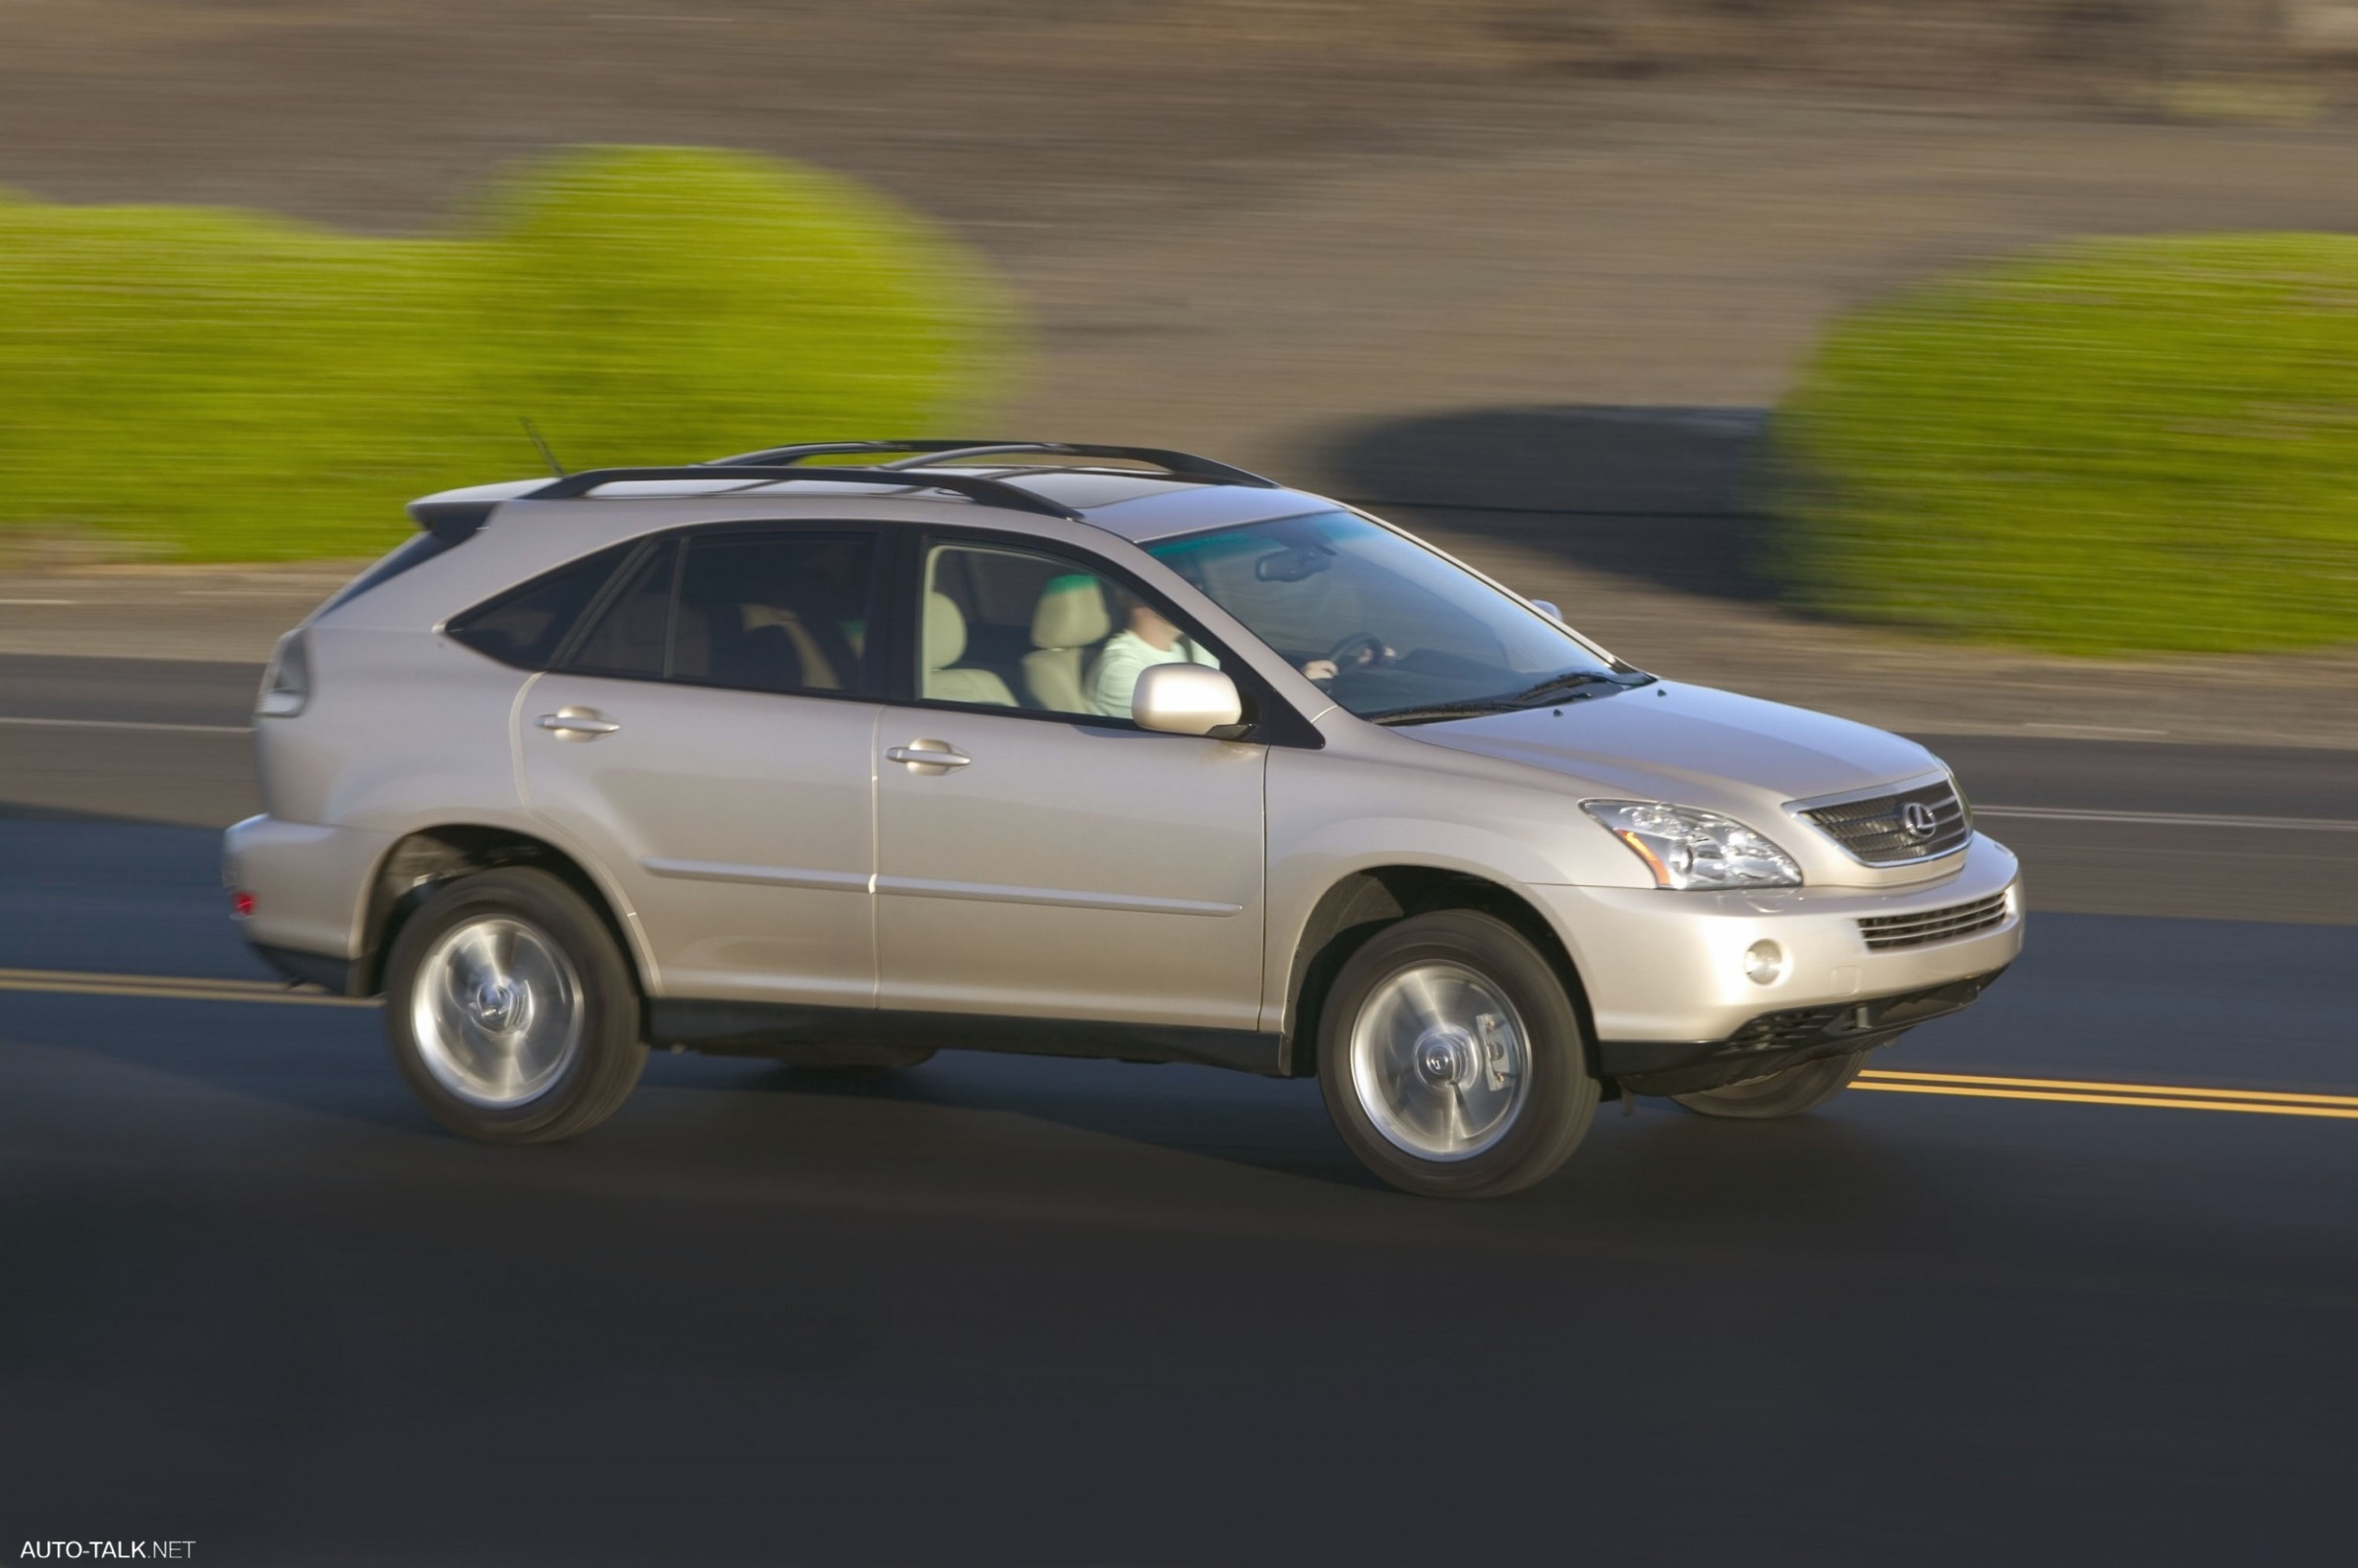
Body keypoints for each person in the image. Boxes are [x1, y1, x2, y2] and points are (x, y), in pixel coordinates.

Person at [1089, 589, 1338, 719]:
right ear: (1140, 601)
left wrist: (1296, 680)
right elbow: (1202, 729)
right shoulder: (1122, 669)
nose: (1194, 591)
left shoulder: (1193, 646)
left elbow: (1245, 689)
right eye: (1180, 584)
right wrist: (1293, 694)